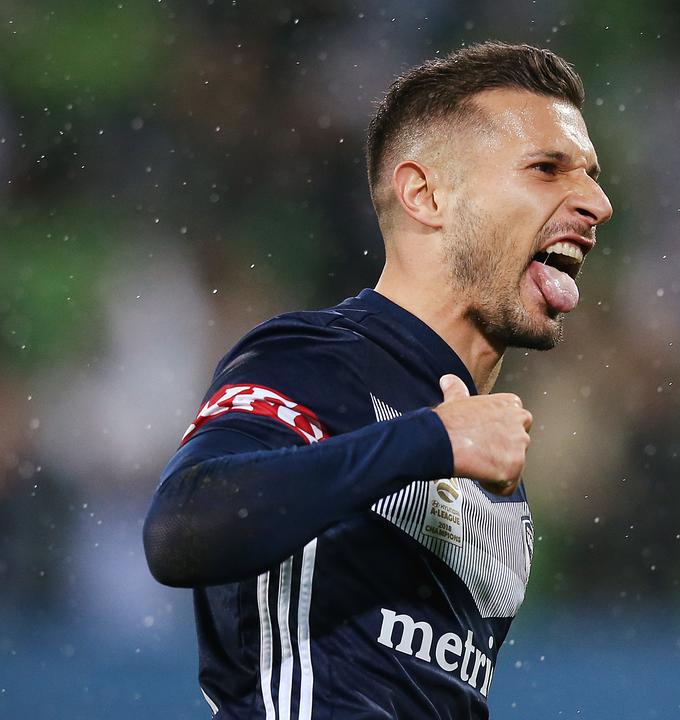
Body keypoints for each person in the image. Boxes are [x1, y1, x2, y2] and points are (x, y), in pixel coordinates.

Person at [143, 41, 612, 719]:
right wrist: (428, 442)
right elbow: (181, 528)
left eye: (592, 175)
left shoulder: (493, 472)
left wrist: (441, 441)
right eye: (547, 168)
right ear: (425, 195)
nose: (596, 200)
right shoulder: (319, 359)